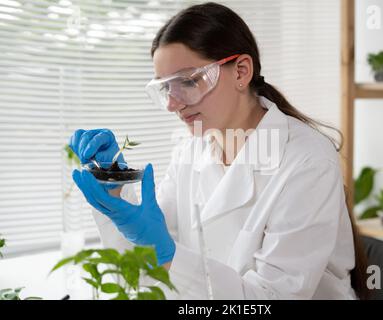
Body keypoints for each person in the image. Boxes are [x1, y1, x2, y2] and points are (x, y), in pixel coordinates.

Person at [69, 2, 368, 299]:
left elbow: (269, 300)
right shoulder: (191, 150)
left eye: (186, 81)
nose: (173, 104)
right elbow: (146, 264)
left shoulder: (308, 161)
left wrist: (169, 254)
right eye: (165, 89)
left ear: (241, 71)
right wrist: (114, 185)